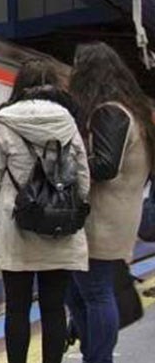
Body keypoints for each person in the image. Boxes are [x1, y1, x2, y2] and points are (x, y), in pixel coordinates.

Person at [0, 58, 91, 363]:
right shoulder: (67, 122)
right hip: (59, 231)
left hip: (16, 231)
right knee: (54, 309)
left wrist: (3, 213)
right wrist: (64, 209)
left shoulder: (4, 122)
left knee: (16, 309)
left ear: (20, 87)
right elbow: (83, 180)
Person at [66, 42, 155, 363]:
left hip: (101, 220)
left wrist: (67, 163)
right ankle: (95, 354)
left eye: (77, 66)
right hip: (117, 216)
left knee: (94, 293)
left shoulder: (110, 112)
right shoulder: (135, 112)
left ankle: (98, 358)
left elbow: (104, 166)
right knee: (77, 292)